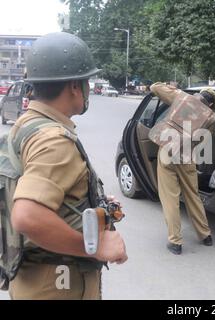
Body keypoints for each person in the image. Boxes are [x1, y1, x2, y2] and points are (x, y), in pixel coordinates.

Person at [9, 32, 127, 300]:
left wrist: (87, 202)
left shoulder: (26, 125)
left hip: (34, 279)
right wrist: (94, 248)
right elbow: (27, 215)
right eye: (87, 81)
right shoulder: (53, 140)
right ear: (75, 86)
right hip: (58, 286)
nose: (88, 90)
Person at [150, 83, 215, 255]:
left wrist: (172, 87)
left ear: (199, 95)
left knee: (170, 198)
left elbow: (154, 87)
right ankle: (205, 235)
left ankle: (175, 242)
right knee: (193, 196)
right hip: (187, 157)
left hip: (167, 151)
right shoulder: (212, 117)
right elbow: (201, 141)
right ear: (211, 104)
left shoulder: (181, 97)